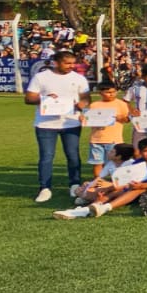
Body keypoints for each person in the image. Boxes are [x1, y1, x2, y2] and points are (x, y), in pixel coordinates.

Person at [24, 49, 92, 203]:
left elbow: (86, 99)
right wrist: (43, 99)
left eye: (73, 63)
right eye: (67, 63)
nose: (71, 66)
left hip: (71, 122)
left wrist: (82, 105)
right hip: (45, 123)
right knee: (46, 156)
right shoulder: (41, 77)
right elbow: (28, 98)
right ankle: (45, 188)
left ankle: (74, 185)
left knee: (73, 155)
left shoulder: (79, 78)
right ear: (56, 62)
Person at [84, 82, 131, 176]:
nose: (111, 94)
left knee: (114, 162)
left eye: (114, 92)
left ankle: (115, 183)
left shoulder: (121, 104)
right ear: (100, 93)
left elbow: (127, 119)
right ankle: (98, 183)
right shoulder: (94, 105)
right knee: (97, 163)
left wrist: (121, 118)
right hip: (96, 139)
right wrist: (85, 119)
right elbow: (89, 120)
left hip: (114, 139)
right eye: (108, 92)